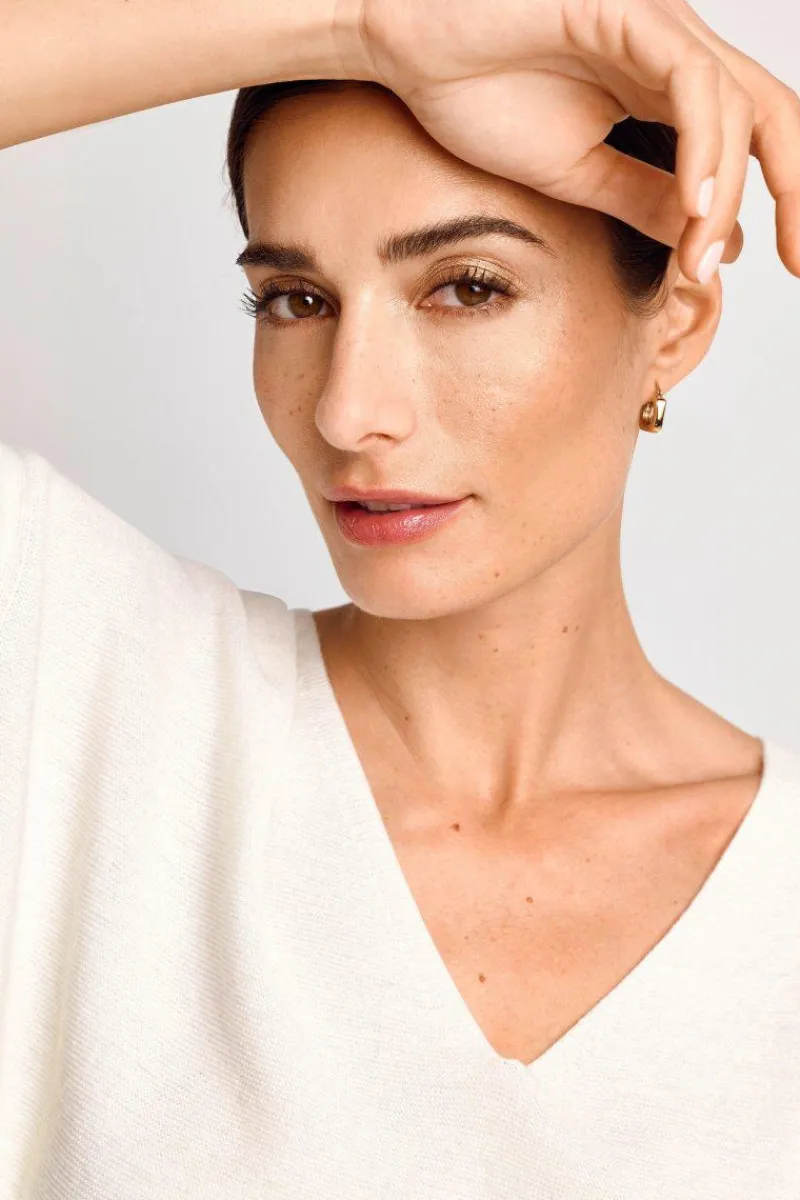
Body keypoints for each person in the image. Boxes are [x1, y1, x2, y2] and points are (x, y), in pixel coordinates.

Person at [1, 1, 799, 1197]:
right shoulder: (79, 686)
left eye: (464, 288)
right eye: (295, 299)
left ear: (673, 325)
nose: (345, 410)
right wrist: (361, 23)